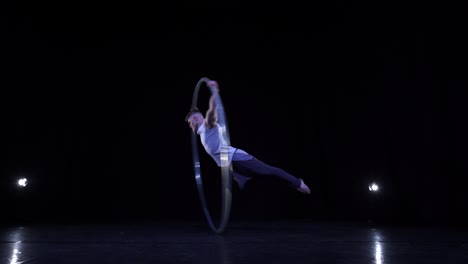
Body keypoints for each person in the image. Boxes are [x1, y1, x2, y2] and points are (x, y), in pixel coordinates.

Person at [185, 80, 311, 194]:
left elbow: (212, 111)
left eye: (190, 123)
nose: (191, 127)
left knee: (271, 172)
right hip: (230, 165)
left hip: (237, 159)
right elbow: (219, 151)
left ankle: (298, 182)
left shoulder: (208, 127)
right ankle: (240, 177)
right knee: (263, 178)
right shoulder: (202, 133)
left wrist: (214, 91)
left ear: (196, 119)